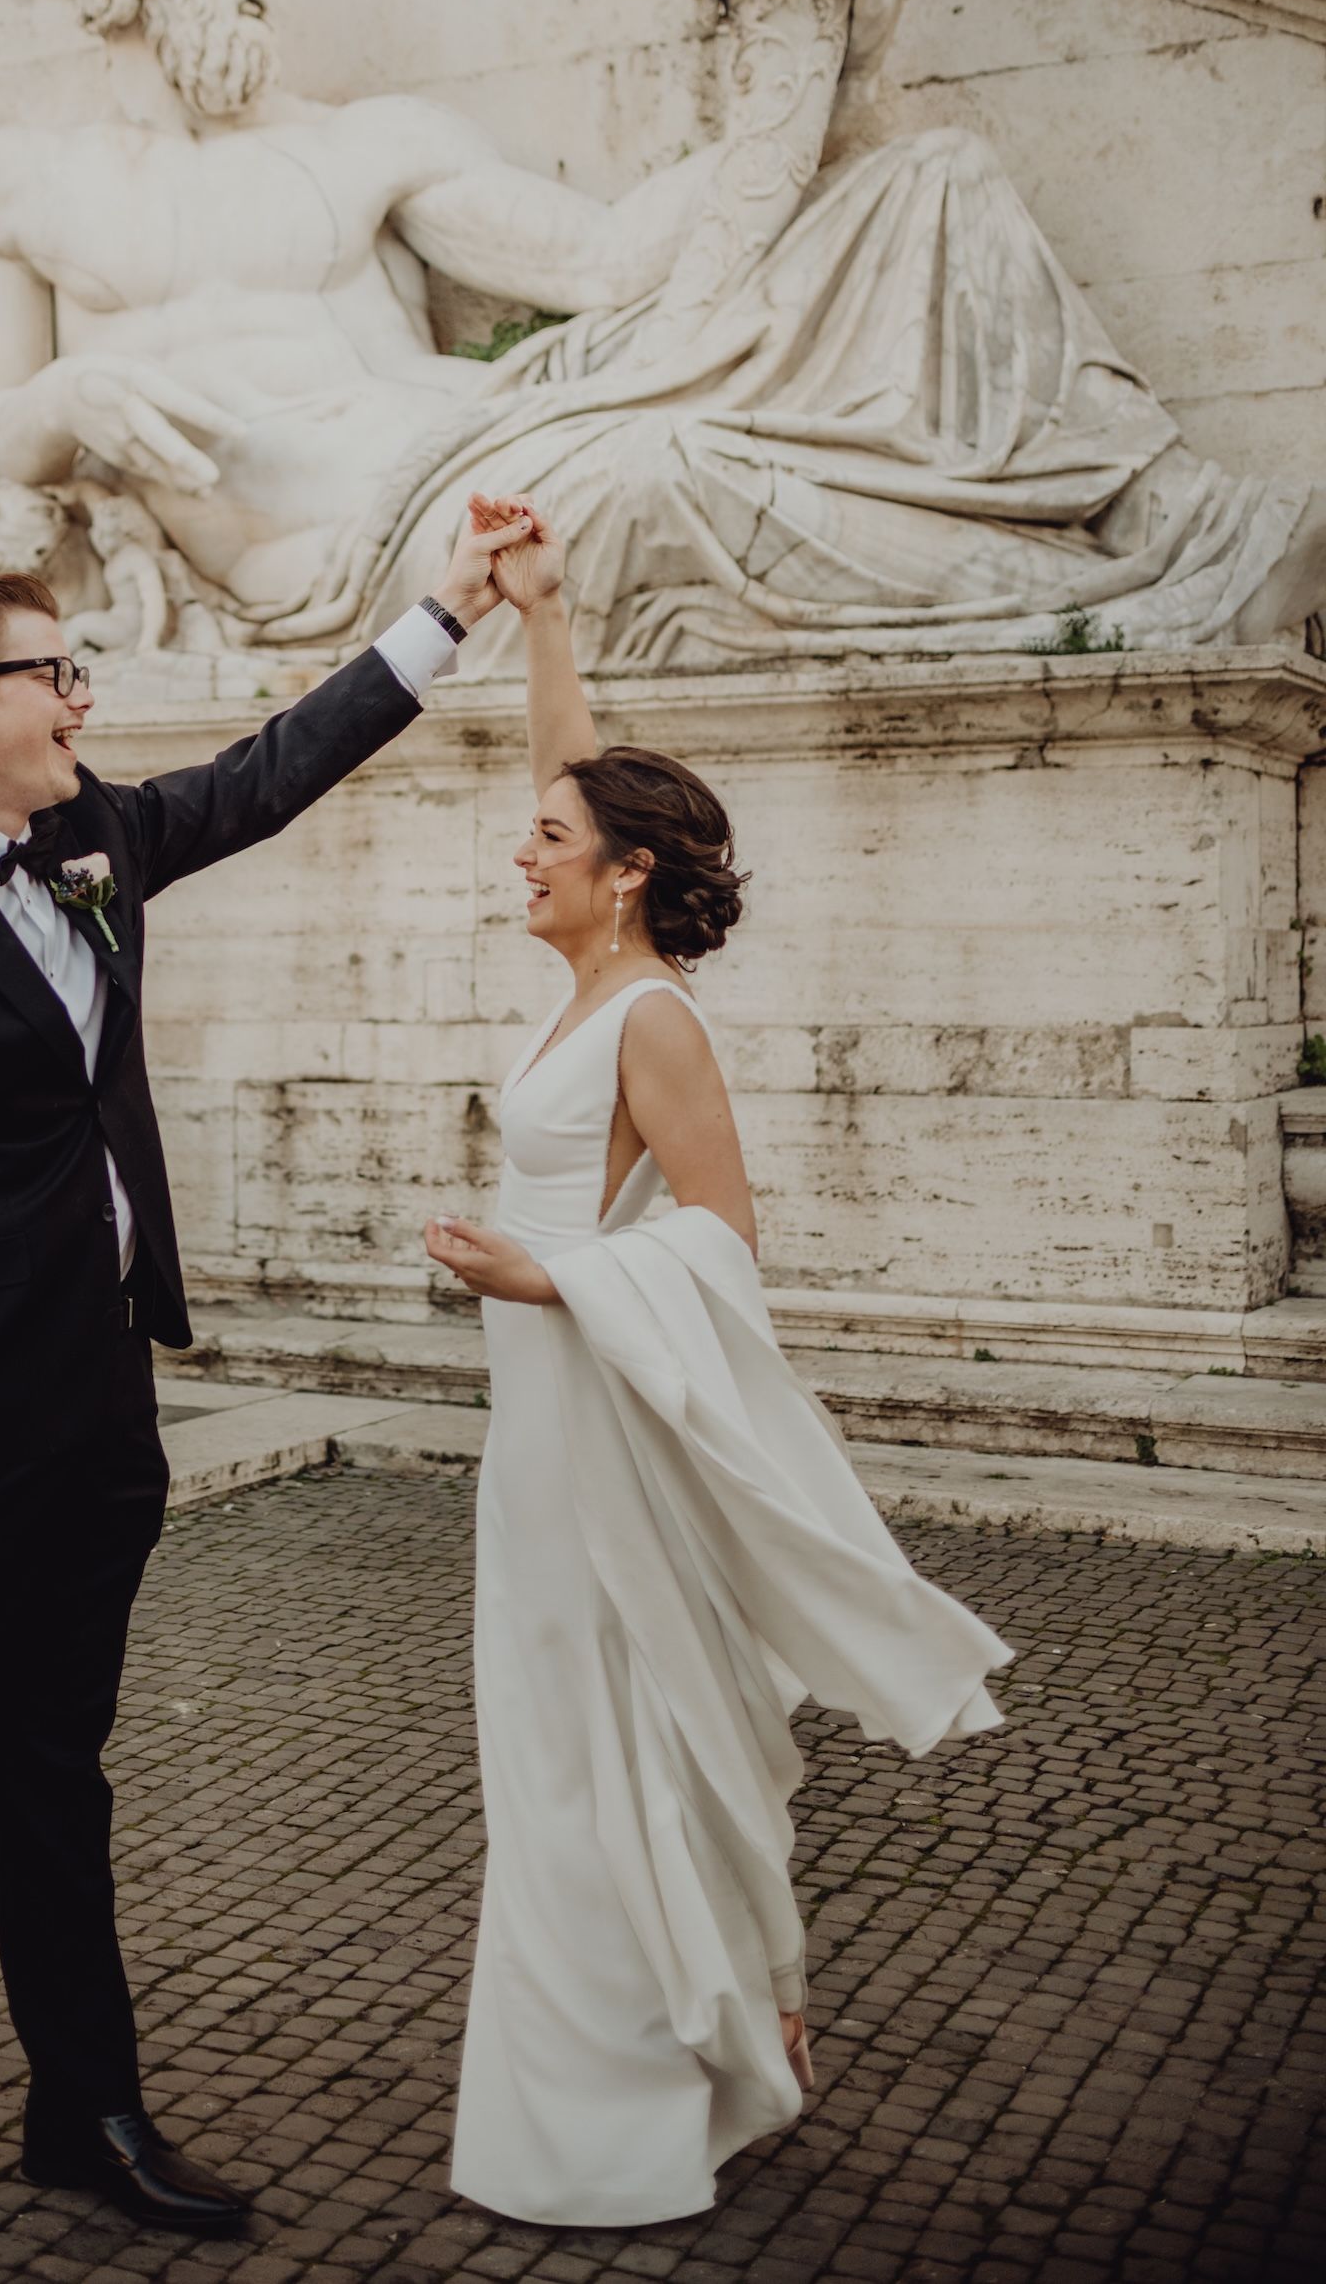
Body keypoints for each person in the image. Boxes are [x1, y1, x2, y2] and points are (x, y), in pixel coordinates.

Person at [0, 506, 527, 2279]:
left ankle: (84, 2110)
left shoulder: (93, 837)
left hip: (102, 1414)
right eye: (54, 669)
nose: (82, 694)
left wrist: (448, 613)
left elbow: (268, 774)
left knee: (62, 1772)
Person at [425, 498, 1013, 2229]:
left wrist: (551, 1271)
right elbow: (579, 775)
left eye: (546, 841)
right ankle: (606, 2077)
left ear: (622, 878)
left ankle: (623, 2104)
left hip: (594, 1410)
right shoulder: (589, 969)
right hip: (533, 1428)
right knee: (541, 1734)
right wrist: (539, 613)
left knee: (602, 1728)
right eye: (528, 832)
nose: (516, 852)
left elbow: (725, 1232)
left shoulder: (653, 1015)